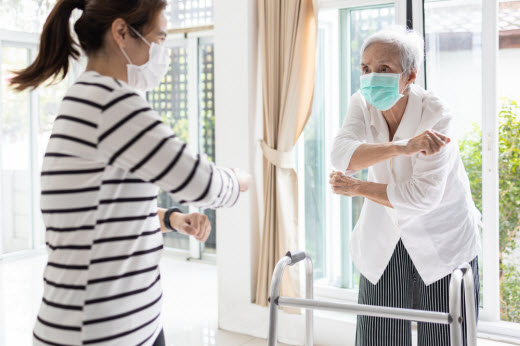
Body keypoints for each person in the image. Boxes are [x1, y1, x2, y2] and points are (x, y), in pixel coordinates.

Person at [9, 0, 251, 345]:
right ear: (122, 32)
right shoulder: (111, 102)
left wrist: (169, 220)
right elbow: (203, 183)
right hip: (96, 331)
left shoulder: (88, 98)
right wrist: (243, 177)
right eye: (160, 38)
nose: (162, 51)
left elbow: (97, 213)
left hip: (133, 323)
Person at [329, 26, 480, 346]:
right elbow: (342, 156)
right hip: (382, 237)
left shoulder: (436, 113)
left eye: (384, 69)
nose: (371, 77)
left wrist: (358, 189)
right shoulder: (361, 103)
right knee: (379, 336)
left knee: (445, 336)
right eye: (365, 68)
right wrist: (403, 147)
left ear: (410, 76)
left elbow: (421, 197)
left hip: (443, 237)